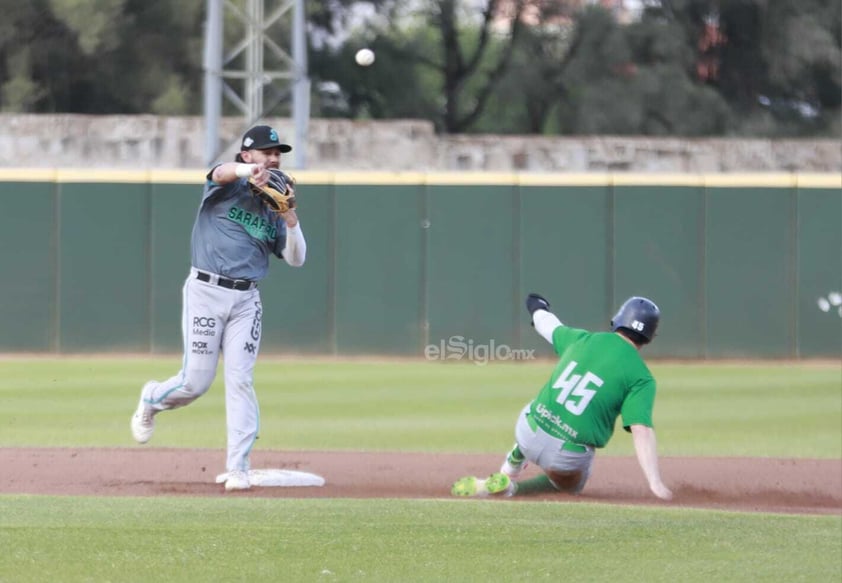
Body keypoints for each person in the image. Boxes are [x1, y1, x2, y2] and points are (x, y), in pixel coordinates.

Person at [130, 125, 307, 491]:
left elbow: (297, 259)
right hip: (206, 292)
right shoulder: (228, 185)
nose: (273, 158)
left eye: (278, 153)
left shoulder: (275, 205)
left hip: (246, 300)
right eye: (265, 151)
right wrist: (247, 173)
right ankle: (151, 398)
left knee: (241, 379)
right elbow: (217, 171)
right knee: (195, 382)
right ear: (247, 155)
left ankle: (238, 467)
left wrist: (290, 218)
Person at [451, 293, 673, 501]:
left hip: (528, 430)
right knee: (570, 487)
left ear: (618, 319)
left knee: (541, 406)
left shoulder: (582, 339)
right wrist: (655, 483)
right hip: (566, 456)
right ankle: (511, 489)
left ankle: (512, 464)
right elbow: (641, 430)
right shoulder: (642, 378)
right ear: (650, 336)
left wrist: (537, 306)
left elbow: (546, 324)